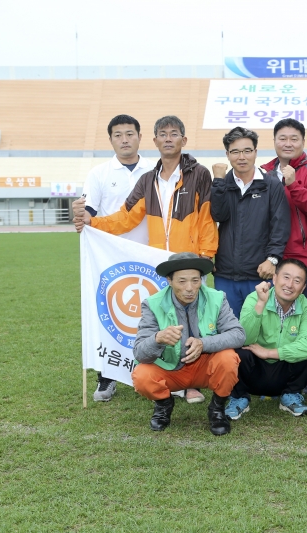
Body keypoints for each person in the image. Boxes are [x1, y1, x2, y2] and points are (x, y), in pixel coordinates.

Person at [75, 115, 218, 404]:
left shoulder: (199, 174)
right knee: (166, 322)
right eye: (162, 134)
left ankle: (191, 383)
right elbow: (126, 217)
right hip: (159, 265)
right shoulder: (147, 179)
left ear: (183, 140)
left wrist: (204, 259)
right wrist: (94, 221)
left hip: (189, 260)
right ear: (154, 141)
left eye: (174, 133)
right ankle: (166, 376)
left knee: (193, 322)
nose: (168, 138)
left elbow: (207, 219)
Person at [71, 114, 154, 402]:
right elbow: (89, 213)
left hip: (150, 257)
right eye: (118, 135)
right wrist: (80, 213)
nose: (124, 139)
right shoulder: (99, 173)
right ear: (110, 140)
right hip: (111, 259)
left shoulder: (155, 170)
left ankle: (157, 374)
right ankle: (107, 378)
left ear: (140, 137)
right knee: (113, 318)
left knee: (151, 319)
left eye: (129, 133)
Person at [131, 253, 245, 435]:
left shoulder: (217, 298)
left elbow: (238, 335)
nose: (190, 288)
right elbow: (140, 353)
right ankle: (164, 404)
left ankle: (217, 409)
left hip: (204, 367)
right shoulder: (152, 304)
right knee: (142, 375)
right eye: (182, 281)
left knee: (228, 358)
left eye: (195, 280)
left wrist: (203, 343)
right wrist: (157, 338)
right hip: (170, 369)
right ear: (169, 280)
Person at [225, 259, 307, 420]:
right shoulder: (255, 298)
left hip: (285, 371)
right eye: (286, 277)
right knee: (237, 352)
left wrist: (269, 352)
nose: (290, 285)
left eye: (297, 281)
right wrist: (260, 305)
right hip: (255, 372)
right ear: (274, 279)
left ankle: (290, 395)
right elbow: (243, 338)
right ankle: (239, 397)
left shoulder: (306, 306)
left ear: (303, 288)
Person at [210, 126, 290, 315]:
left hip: (260, 274)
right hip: (225, 274)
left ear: (255, 152)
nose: (242, 157)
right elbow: (217, 215)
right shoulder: (222, 184)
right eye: (235, 152)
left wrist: (273, 259)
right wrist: (219, 183)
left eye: (247, 151)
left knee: (260, 333)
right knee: (228, 331)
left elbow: (280, 226)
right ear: (227, 154)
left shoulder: (271, 185)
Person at [259, 118, 307, 301]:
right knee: (273, 316)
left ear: (303, 142)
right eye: (282, 138)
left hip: (306, 259)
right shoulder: (263, 174)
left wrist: (293, 185)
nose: (288, 144)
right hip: (272, 259)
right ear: (274, 141)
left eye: (294, 139)